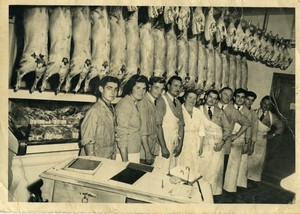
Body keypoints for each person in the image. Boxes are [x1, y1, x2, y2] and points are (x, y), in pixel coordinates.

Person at [217, 87, 251, 196]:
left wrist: (236, 135)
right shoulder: (212, 105)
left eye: (229, 95)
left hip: (225, 144)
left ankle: (218, 193)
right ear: (220, 94)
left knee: (222, 169)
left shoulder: (234, 111)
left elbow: (246, 123)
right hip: (209, 142)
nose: (227, 97)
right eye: (225, 94)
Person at [199, 90, 231, 196]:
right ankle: (199, 192)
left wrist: (222, 142)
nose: (212, 100)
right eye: (210, 97)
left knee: (214, 171)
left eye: (214, 98)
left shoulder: (220, 112)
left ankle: (211, 194)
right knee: (201, 169)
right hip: (203, 145)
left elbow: (227, 129)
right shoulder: (197, 110)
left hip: (217, 146)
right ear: (206, 96)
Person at [80, 76, 120, 159]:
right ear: (101, 89)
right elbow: (88, 140)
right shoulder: (94, 111)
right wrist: (92, 161)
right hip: (95, 159)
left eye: (115, 89)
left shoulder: (111, 109)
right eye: (109, 88)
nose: (113, 92)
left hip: (108, 158)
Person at [247, 95, 285, 184]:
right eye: (264, 103)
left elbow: (281, 126)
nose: (266, 106)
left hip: (261, 141)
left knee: (257, 161)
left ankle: (253, 180)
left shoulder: (272, 117)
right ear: (261, 103)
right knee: (247, 159)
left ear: (271, 106)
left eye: (269, 104)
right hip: (250, 138)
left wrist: (272, 134)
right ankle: (243, 179)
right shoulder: (253, 112)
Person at [154, 75, 185, 174]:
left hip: (174, 142)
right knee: (161, 171)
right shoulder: (161, 100)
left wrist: (180, 144)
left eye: (180, 87)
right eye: (175, 85)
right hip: (163, 141)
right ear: (168, 86)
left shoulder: (178, 102)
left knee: (172, 171)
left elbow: (181, 125)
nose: (178, 89)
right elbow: (158, 125)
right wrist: (163, 147)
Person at [115, 74, 148, 163]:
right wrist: (125, 161)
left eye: (144, 88)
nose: (141, 91)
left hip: (133, 151)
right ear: (131, 88)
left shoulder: (133, 103)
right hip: (125, 154)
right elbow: (121, 133)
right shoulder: (125, 104)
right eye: (138, 88)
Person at [137, 76, 166, 165]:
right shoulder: (143, 102)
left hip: (150, 148)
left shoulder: (154, 101)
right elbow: (143, 130)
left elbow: (157, 126)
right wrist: (147, 152)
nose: (159, 92)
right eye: (156, 88)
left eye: (161, 89)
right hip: (143, 151)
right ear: (149, 87)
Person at [178, 89, 205, 179]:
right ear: (185, 98)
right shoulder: (179, 110)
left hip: (195, 142)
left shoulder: (198, 112)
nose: (192, 100)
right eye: (190, 97)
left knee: (193, 166)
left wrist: (200, 146)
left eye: (194, 98)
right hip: (183, 141)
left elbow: (201, 130)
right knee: (181, 164)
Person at [244, 91, 259, 156]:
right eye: (248, 99)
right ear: (244, 99)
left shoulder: (254, 114)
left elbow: (254, 130)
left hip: (247, 141)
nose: (250, 102)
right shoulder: (238, 109)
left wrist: (252, 145)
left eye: (252, 100)